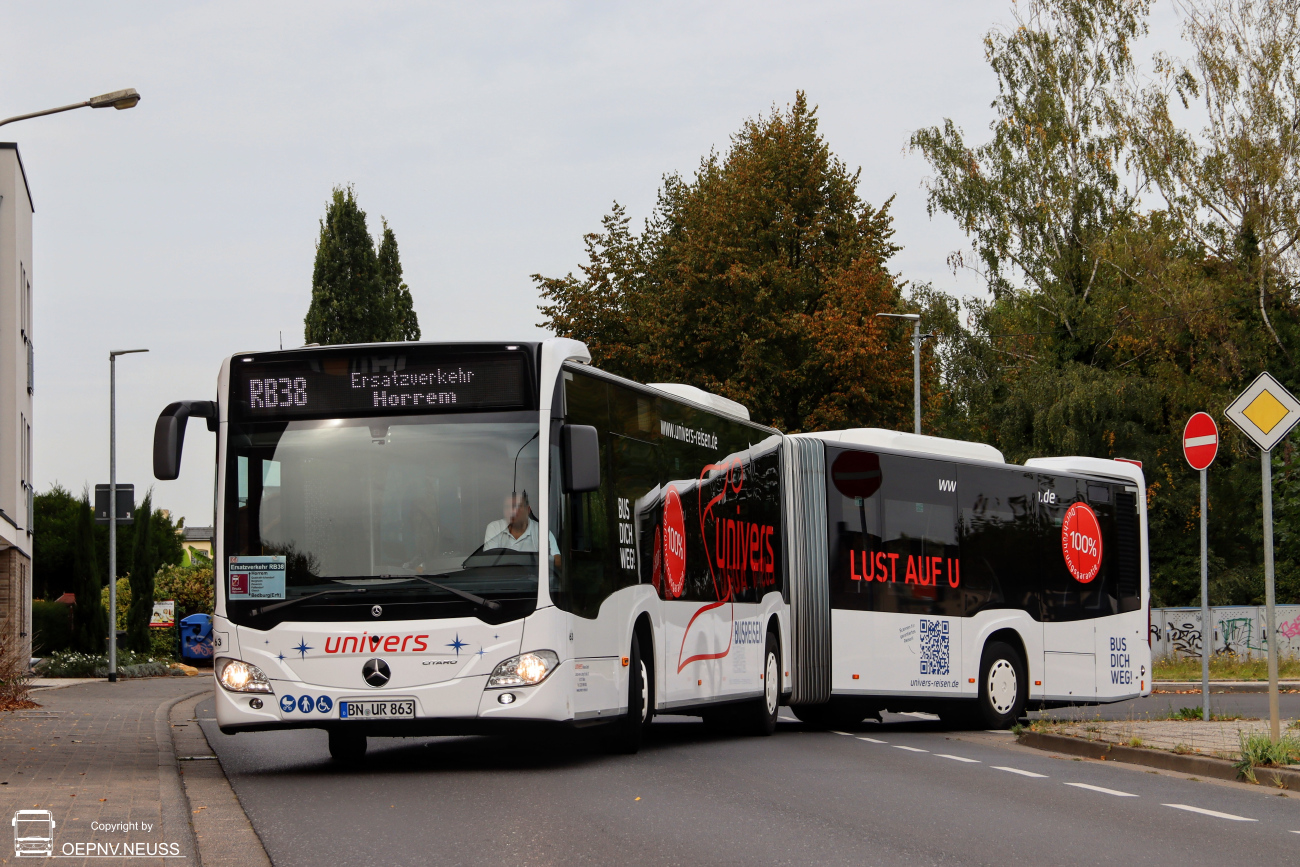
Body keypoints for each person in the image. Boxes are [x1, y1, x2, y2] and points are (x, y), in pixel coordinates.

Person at [483, 491, 560, 569]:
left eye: (517, 506)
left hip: (533, 576)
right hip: (501, 575)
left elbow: (558, 561)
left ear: (528, 510)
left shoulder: (542, 531)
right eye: (507, 507)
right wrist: (533, 559)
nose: (512, 511)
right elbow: (489, 560)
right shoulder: (494, 527)